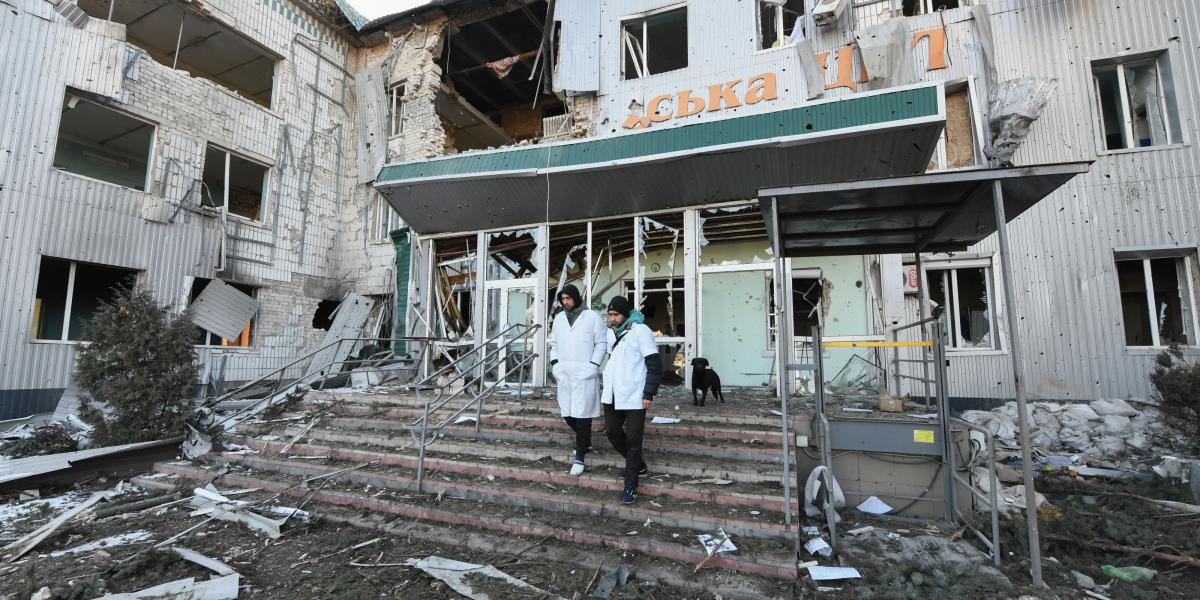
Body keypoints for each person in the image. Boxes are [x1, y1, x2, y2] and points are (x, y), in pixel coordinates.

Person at [600, 296, 662, 504]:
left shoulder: (641, 331)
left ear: (625, 313)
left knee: (634, 442)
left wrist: (648, 393)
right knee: (612, 431)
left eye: (615, 314)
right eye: (610, 315)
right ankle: (639, 466)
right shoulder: (612, 333)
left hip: (635, 395)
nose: (613, 318)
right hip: (613, 394)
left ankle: (631, 484)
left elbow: (654, 365)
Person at [549, 284, 607, 476]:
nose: (565, 302)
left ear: (576, 297)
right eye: (562, 299)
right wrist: (555, 364)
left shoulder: (592, 317)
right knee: (567, 413)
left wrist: (593, 366)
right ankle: (586, 441)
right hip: (565, 372)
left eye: (568, 298)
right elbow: (554, 344)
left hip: (585, 372)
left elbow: (601, 344)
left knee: (583, 416)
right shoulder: (558, 319)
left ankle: (580, 456)